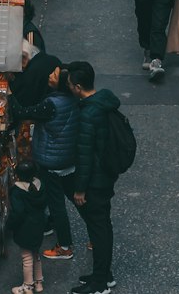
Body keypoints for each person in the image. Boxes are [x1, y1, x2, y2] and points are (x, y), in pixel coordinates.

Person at [67, 60, 123, 294]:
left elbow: (85, 155)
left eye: (70, 84)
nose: (68, 87)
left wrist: (80, 189)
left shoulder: (88, 113)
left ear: (78, 87)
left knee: (99, 227)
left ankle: (100, 283)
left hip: (96, 180)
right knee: (101, 225)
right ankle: (103, 275)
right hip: (106, 174)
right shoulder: (104, 101)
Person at [28, 68, 81, 260]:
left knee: (56, 204)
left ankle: (65, 246)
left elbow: (23, 112)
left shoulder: (51, 104)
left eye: (55, 75)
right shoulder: (72, 99)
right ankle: (94, 235)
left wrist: (7, 94)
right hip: (67, 158)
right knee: (75, 196)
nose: (50, 74)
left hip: (51, 161)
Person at [7, 160, 47, 294]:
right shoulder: (39, 186)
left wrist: (9, 225)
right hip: (38, 225)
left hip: (25, 228)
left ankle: (27, 286)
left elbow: (18, 213)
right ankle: (39, 283)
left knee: (26, 257)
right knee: (36, 254)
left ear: (17, 175)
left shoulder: (17, 191)